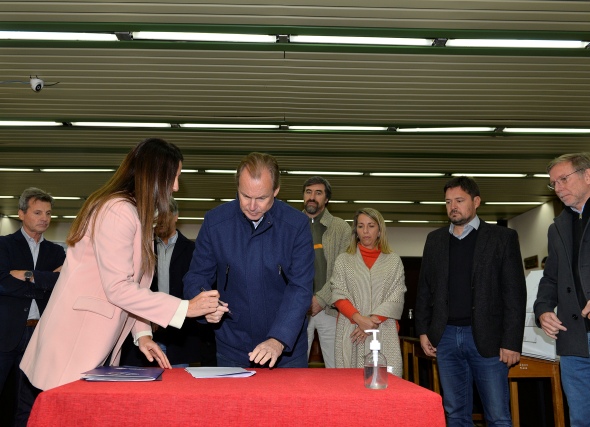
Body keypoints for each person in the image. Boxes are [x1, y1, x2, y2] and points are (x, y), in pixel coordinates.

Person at [17, 138, 225, 424]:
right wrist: (185, 308)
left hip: (94, 340)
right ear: (154, 176)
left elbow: (132, 286)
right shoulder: (118, 210)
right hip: (76, 339)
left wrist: (142, 334)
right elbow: (118, 288)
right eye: (173, 177)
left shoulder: (134, 214)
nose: (176, 187)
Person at [183, 152, 314, 368]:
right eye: (245, 196)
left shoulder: (296, 225)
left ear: (276, 190)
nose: (252, 206)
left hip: (285, 351)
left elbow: (300, 287)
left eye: (261, 198)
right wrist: (206, 306)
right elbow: (196, 276)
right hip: (232, 347)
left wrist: (279, 339)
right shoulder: (215, 222)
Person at [415, 176, 526, 427]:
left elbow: (514, 294)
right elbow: (424, 290)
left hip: (488, 339)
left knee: (497, 415)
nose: (452, 206)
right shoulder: (435, 240)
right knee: (455, 413)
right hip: (445, 337)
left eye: (459, 200)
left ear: (476, 201)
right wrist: (423, 330)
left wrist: (511, 341)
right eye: (448, 202)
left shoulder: (502, 238)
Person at [120, 198, 216, 368]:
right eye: (156, 216)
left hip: (180, 336)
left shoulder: (193, 251)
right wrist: (153, 316)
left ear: (176, 216)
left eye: (165, 215)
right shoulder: (142, 249)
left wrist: (167, 314)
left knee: (177, 379)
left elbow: (194, 290)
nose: (160, 221)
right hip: (146, 329)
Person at [0, 188, 65, 426]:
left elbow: (62, 284)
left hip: (39, 334)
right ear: (21, 214)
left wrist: (28, 275)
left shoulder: (56, 251)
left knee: (28, 401)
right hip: (6, 334)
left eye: (48, 213)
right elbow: (3, 282)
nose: (44, 218)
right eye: (38, 212)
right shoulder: (4, 245)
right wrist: (43, 282)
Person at [534, 153, 590, 427]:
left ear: (588, 175)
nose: (557, 188)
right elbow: (550, 278)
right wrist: (543, 310)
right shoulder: (557, 227)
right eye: (553, 183)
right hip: (573, 339)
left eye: (563, 179)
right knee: (580, 418)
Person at [330, 208, 406, 374]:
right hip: (351, 331)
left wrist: (370, 322)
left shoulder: (393, 261)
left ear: (379, 231)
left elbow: (396, 296)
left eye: (371, 226)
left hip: (383, 328)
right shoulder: (343, 260)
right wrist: (359, 319)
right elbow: (338, 293)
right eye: (361, 226)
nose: (365, 231)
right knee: (349, 382)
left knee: (386, 382)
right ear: (355, 230)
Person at [302, 176, 351, 368]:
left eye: (318, 193)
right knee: (293, 369)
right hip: (298, 309)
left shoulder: (341, 228)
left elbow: (344, 272)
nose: (312, 197)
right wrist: (302, 299)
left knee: (336, 367)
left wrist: (321, 299)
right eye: (308, 192)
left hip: (330, 309)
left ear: (327, 199)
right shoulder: (291, 225)